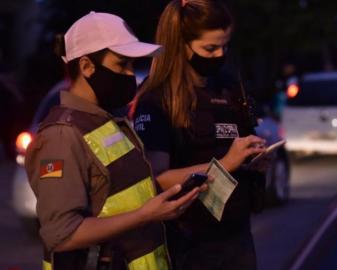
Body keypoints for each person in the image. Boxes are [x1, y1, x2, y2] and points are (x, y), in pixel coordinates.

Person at [25, 11, 202, 270]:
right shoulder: (61, 135)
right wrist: (145, 215)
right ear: (86, 67)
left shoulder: (107, 121)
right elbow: (61, 235)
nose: (131, 75)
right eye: (122, 65)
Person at [133, 1, 267, 269]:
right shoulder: (157, 100)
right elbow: (158, 179)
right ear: (180, 44)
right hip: (189, 242)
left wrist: (255, 162)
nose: (219, 54)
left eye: (225, 46)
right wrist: (226, 164)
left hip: (237, 236)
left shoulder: (228, 88)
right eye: (210, 48)